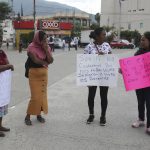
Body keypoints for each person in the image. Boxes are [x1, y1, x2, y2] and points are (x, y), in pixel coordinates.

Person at [24, 31, 54, 126]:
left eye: (46, 39)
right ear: (38, 39)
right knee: (35, 97)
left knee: (42, 96)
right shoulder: (31, 47)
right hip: (34, 74)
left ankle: (38, 115)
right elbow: (35, 60)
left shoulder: (47, 47)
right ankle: (27, 116)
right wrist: (45, 62)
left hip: (44, 75)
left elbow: (51, 60)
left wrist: (46, 50)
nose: (45, 41)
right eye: (43, 39)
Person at [84, 27, 112, 126]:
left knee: (104, 96)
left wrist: (105, 56)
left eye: (105, 34)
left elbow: (111, 59)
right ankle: (91, 114)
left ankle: (103, 116)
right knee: (91, 96)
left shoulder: (107, 45)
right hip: (92, 76)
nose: (105, 36)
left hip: (104, 75)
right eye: (103, 34)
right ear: (97, 36)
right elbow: (84, 63)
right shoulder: (89, 47)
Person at [130, 32, 150, 135]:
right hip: (139, 82)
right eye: (141, 40)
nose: (141, 42)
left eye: (143, 40)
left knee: (149, 103)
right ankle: (141, 119)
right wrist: (124, 70)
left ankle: (149, 125)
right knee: (140, 102)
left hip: (149, 84)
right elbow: (131, 66)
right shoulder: (138, 52)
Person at [0, 37, 14, 137]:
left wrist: (8, 65)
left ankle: (0, 125)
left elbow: (7, 62)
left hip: (2, 84)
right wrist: (8, 66)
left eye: (0, 40)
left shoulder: (1, 52)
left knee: (2, 105)